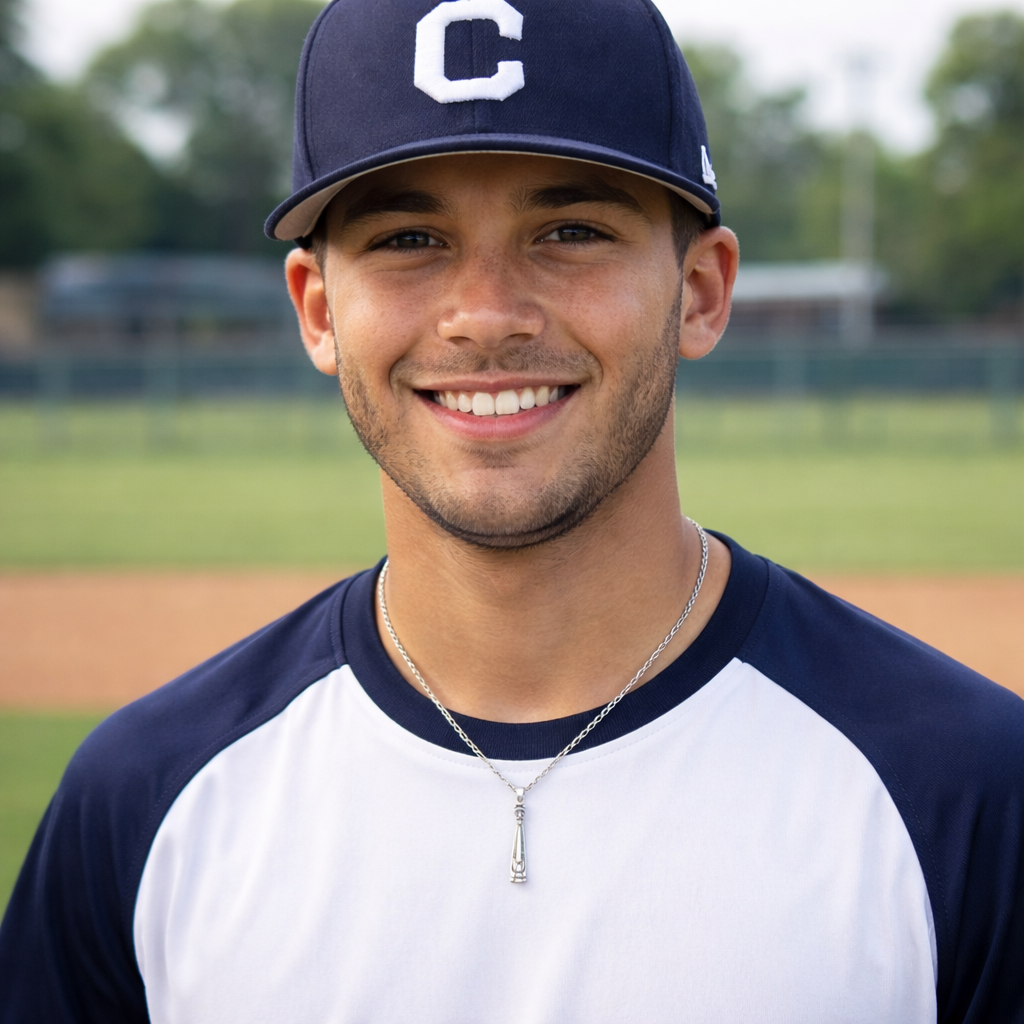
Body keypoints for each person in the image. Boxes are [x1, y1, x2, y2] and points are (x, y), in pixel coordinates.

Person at [2, 0, 1022, 1020]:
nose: (484, 314)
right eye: (409, 238)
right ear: (318, 310)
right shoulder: (147, 804)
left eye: (571, 231)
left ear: (702, 292)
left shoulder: (967, 793)